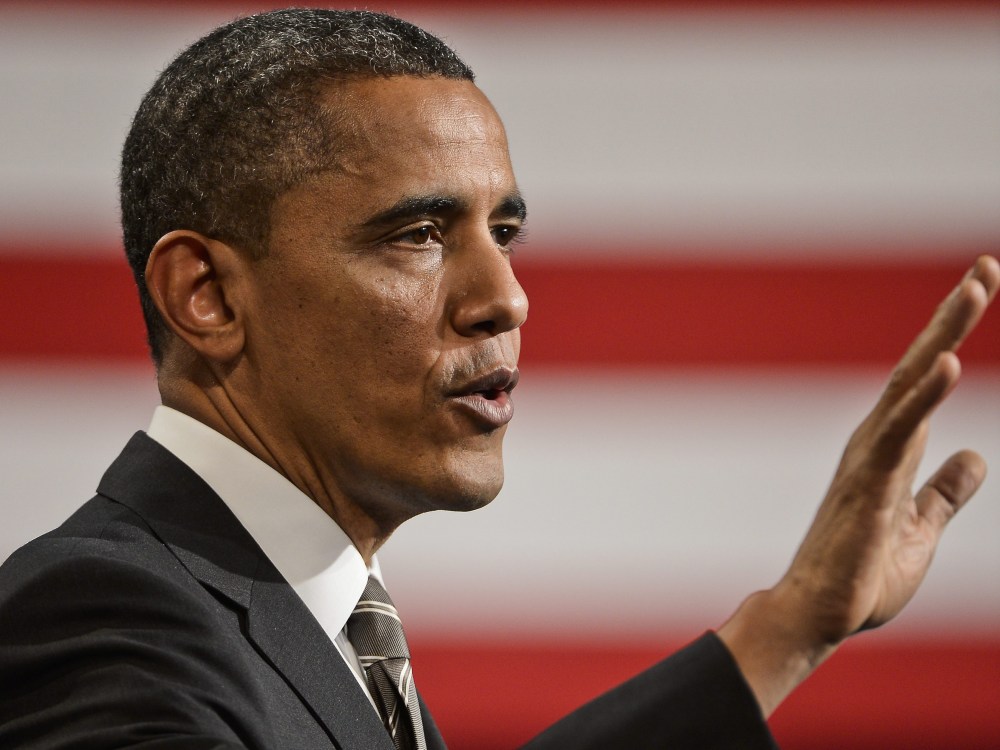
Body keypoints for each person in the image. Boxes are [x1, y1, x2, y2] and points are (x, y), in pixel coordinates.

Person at [0, 8, 996, 749]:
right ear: (208, 294)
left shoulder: (326, 627)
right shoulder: (102, 616)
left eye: (504, 231)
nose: (506, 298)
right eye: (418, 234)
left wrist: (793, 624)